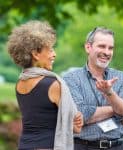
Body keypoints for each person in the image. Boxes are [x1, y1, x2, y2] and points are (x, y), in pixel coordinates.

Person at [7, 20, 83, 150]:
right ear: (35, 54)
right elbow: (75, 128)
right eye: (50, 50)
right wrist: (77, 121)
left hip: (24, 145)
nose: (54, 54)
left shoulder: (20, 82)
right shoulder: (52, 85)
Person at [63, 27, 123, 150]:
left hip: (117, 146)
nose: (107, 52)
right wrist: (117, 109)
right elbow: (80, 115)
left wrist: (110, 93)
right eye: (102, 46)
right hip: (83, 146)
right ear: (88, 47)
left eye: (110, 48)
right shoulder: (71, 79)